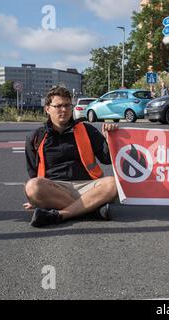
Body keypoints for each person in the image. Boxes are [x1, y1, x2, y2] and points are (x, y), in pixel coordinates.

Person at [24, 86, 119, 228]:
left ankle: (63, 213)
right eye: (58, 106)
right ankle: (91, 210)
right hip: (56, 188)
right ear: (47, 109)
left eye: (67, 105)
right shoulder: (36, 136)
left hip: (88, 185)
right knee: (32, 187)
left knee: (113, 184)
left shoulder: (87, 129)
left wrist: (111, 139)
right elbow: (33, 172)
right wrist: (34, 196)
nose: (64, 109)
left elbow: (107, 159)